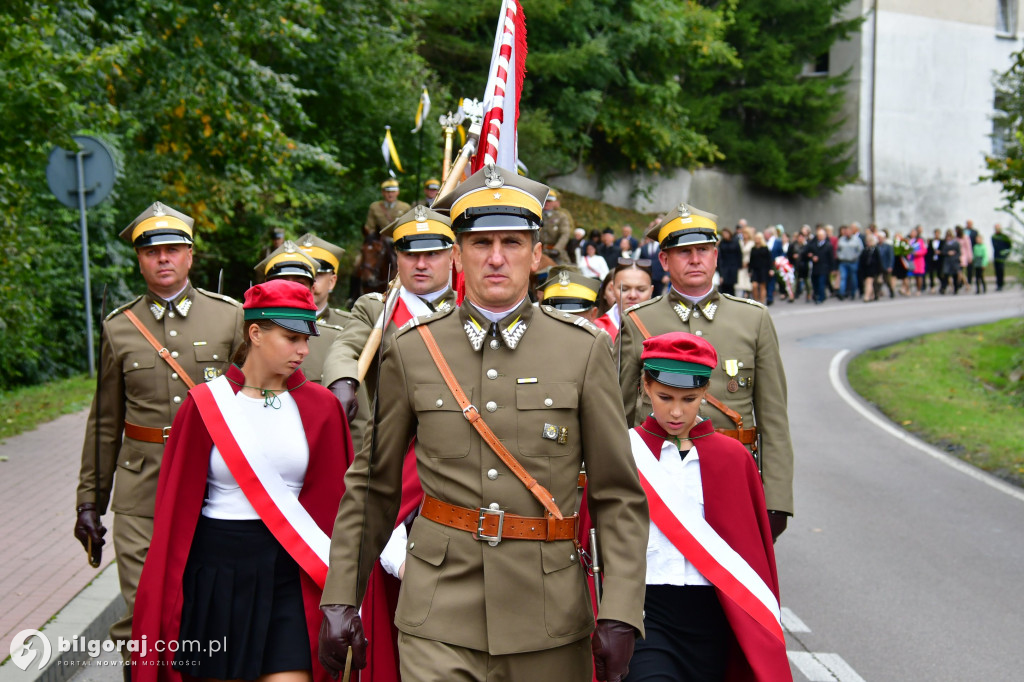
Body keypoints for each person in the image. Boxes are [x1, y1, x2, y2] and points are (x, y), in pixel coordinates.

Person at [318, 165, 649, 682]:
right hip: (438, 612)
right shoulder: (412, 349)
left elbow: (617, 496)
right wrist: (342, 595)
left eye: (513, 242)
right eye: (480, 242)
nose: (496, 257)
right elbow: (373, 486)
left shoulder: (583, 350)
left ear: (537, 254)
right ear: (458, 255)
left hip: (549, 616)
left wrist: (622, 610)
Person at [131, 279, 353, 682]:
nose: (304, 351)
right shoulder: (203, 405)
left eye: (307, 338)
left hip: (291, 572)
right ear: (255, 332)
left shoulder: (323, 408)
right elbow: (174, 512)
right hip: (217, 572)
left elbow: (339, 507)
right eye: (291, 338)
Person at [74, 201, 244, 659]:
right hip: (141, 491)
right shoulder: (119, 328)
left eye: (173, 249)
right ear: (140, 259)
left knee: (207, 611)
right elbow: (105, 422)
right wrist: (90, 501)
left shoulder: (229, 317)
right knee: (142, 616)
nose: (163, 259)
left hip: (215, 486)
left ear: (190, 255)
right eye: (153, 252)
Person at [619, 203, 795, 540]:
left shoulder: (753, 320)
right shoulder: (639, 321)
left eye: (703, 250)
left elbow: (773, 417)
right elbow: (620, 415)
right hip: (658, 481)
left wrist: (777, 499)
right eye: (683, 252)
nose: (695, 259)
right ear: (664, 261)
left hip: (730, 480)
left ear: (716, 256)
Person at [624, 332, 790, 682]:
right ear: (645, 386)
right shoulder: (623, 453)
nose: (676, 411)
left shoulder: (734, 459)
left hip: (712, 615)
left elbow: (751, 555)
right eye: (665, 397)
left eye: (690, 398)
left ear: (705, 394)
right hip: (643, 613)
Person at [323, 205, 457, 454]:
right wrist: (342, 381)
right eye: (410, 255)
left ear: (452, 256)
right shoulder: (375, 309)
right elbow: (345, 348)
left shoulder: (469, 310)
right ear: (397, 256)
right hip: (393, 447)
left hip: (457, 447)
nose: (421, 264)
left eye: (432, 254)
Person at [595, 258, 655, 342]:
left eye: (641, 289)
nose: (633, 295)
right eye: (624, 289)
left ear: (651, 291)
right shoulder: (597, 329)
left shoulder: (663, 328)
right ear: (613, 289)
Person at [540, 189, 575, 265]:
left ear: (554, 203)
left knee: (564, 272)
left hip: (555, 252)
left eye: (549, 201)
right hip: (538, 251)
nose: (547, 203)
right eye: (545, 201)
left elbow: (565, 234)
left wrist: (557, 249)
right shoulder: (537, 215)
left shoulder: (561, 216)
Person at [802, 226, 834, 304]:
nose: (819, 237)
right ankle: (817, 295)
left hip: (824, 267)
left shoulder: (828, 245)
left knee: (821, 283)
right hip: (815, 267)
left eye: (821, 236)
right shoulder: (814, 244)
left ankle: (821, 297)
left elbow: (831, 257)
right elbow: (806, 252)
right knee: (815, 282)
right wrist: (811, 256)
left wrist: (832, 268)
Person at [836, 225, 862, 300]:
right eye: (845, 231)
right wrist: (840, 256)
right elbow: (838, 250)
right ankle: (842, 293)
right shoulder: (841, 239)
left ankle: (853, 293)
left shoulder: (856, 239)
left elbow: (860, 250)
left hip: (853, 262)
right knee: (843, 277)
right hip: (843, 262)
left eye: (848, 231)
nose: (847, 233)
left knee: (853, 278)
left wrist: (855, 257)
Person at [747, 232, 772, 305]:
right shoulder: (753, 249)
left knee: (762, 286)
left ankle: (762, 301)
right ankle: (756, 300)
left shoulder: (765, 248)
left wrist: (770, 269)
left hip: (763, 269)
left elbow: (769, 259)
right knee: (754, 285)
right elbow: (751, 260)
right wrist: (749, 270)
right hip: (755, 269)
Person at [717, 228, 742, 297]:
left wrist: (739, 265)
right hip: (724, 266)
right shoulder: (722, 243)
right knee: (724, 284)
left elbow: (739, 254)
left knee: (731, 285)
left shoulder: (735, 242)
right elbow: (720, 257)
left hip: (733, 266)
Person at [859, 233, 882, 302]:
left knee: (869, 282)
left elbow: (879, 261)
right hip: (866, 269)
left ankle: (867, 296)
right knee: (867, 282)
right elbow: (862, 261)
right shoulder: (865, 250)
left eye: (870, 241)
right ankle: (872, 295)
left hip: (873, 269)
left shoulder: (875, 250)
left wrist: (879, 272)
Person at [939, 229, 962, 295]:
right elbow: (942, 252)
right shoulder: (944, 243)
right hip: (947, 261)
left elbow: (959, 252)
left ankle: (956, 288)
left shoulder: (956, 243)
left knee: (955, 275)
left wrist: (956, 257)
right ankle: (943, 288)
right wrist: (947, 253)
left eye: (950, 236)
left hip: (954, 261)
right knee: (946, 275)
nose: (948, 238)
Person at [992, 224, 1012, 291]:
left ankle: (1001, 284)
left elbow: (1009, 246)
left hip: (1002, 257)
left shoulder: (1004, 237)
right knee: (997, 271)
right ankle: (998, 285)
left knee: (1001, 271)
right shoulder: (993, 236)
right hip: (996, 256)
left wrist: (1006, 254)